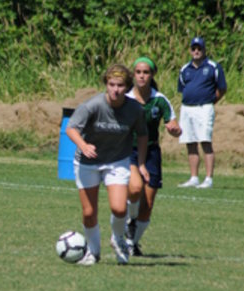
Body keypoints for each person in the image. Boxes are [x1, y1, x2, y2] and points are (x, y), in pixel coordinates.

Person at [65, 63, 149, 265]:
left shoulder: (135, 109)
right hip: (87, 162)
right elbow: (71, 128)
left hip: (117, 161)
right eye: (111, 84)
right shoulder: (92, 105)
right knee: (89, 212)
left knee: (119, 209)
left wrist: (141, 163)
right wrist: (83, 145)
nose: (115, 89)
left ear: (127, 87)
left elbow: (143, 135)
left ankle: (118, 239)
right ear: (106, 84)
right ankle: (93, 253)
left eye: (120, 85)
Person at [125, 57, 182, 256]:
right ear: (133, 74)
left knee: (147, 205)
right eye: (138, 72)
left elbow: (173, 124)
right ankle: (129, 220)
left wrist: (175, 130)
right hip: (128, 151)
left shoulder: (160, 100)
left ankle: (132, 243)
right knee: (135, 188)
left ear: (152, 75)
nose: (142, 76)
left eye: (146, 72)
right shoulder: (125, 98)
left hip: (151, 152)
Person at [177, 36, 227, 188]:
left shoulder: (213, 67)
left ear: (204, 50)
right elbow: (183, 88)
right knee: (190, 142)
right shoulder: (185, 69)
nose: (196, 51)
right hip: (187, 108)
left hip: (204, 108)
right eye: (194, 48)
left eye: (199, 48)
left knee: (205, 141)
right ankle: (194, 177)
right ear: (190, 50)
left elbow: (222, 88)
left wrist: (211, 101)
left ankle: (208, 179)